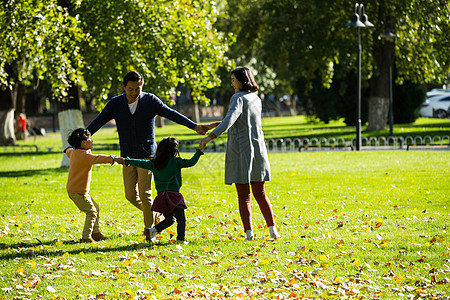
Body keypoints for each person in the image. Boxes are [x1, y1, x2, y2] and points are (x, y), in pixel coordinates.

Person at [86, 71, 213, 236]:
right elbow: (98, 121)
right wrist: (80, 140)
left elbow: (171, 113)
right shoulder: (115, 104)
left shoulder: (150, 100)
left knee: (145, 193)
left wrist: (194, 126)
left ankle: (149, 231)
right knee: (130, 195)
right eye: (130, 89)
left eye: (137, 89)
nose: (134, 93)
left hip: (147, 154)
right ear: (124, 87)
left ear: (142, 85)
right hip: (127, 156)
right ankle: (155, 215)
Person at [199, 66, 280, 241]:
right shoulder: (255, 98)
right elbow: (240, 118)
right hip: (257, 150)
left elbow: (231, 119)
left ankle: (249, 234)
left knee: (244, 195)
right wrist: (214, 125)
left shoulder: (237, 98)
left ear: (241, 81)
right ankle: (273, 230)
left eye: (234, 80)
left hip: (241, 150)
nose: (232, 83)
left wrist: (209, 137)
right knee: (260, 193)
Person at [114, 136, 210, 243]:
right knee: (181, 219)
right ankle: (180, 240)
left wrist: (125, 160)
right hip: (174, 196)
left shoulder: (155, 163)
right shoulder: (176, 162)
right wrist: (199, 150)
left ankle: (152, 231)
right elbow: (191, 162)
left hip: (162, 197)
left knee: (170, 219)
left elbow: (140, 163)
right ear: (175, 150)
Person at [64, 128, 116, 243]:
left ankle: (96, 233)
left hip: (75, 190)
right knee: (91, 212)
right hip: (79, 192)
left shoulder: (73, 152)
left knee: (95, 207)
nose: (92, 141)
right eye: (90, 139)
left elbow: (68, 150)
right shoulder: (85, 156)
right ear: (83, 143)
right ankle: (86, 237)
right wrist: (112, 159)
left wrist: (67, 149)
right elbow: (98, 158)